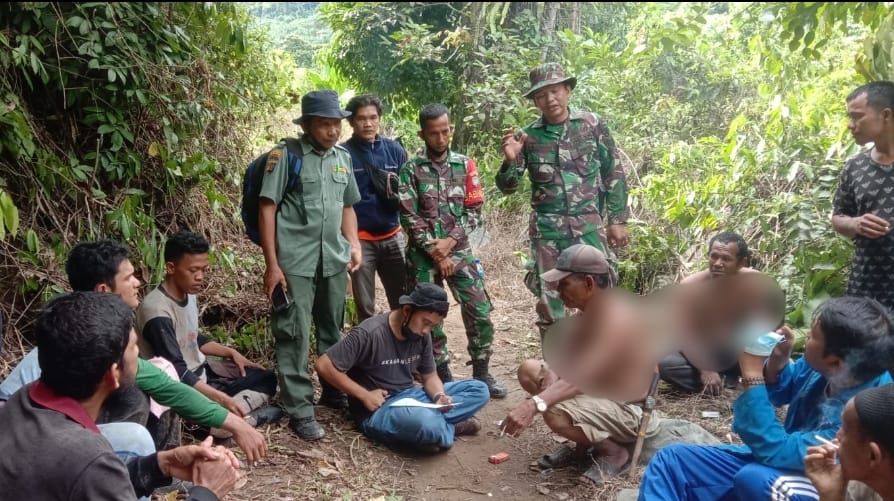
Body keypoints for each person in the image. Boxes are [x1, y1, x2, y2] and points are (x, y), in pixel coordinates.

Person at [0, 239, 268, 463]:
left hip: (45, 430)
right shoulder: (92, 337)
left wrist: (231, 419)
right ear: (104, 290)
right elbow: (167, 383)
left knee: (137, 391)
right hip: (22, 442)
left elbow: (162, 380)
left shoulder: (88, 325)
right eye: (129, 277)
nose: (138, 282)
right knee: (136, 427)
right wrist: (232, 421)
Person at [638, 296, 894, 501]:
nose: (806, 341)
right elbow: (785, 388)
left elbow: (775, 450)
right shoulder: (839, 367)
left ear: (835, 362)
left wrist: (751, 374)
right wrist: (777, 363)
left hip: (824, 482)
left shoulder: (865, 413)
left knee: (756, 479)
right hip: (781, 464)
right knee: (673, 459)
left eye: (814, 336)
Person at [0, 292, 240, 500]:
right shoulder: (87, 458)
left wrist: (161, 465)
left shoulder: (21, 402)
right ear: (113, 374)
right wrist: (207, 492)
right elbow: (89, 473)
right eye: (135, 347)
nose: (141, 356)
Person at [501, 244, 660, 485]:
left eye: (564, 283)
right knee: (530, 370)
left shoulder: (616, 318)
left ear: (588, 283)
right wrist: (552, 376)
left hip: (629, 407)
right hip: (601, 390)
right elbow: (565, 358)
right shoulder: (590, 311)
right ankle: (583, 446)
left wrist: (535, 404)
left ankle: (614, 452)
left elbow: (582, 376)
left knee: (552, 410)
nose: (557, 289)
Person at [496, 62, 630, 339]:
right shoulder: (527, 136)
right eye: (542, 95)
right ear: (535, 100)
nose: (550, 99)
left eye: (555, 91)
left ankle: (604, 357)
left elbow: (613, 171)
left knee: (602, 293)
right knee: (549, 300)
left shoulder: (591, 125)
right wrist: (510, 162)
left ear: (568, 90)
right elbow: (508, 187)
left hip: (588, 227)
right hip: (548, 232)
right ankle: (555, 369)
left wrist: (617, 220)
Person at [259, 89, 362, 440]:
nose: (333, 131)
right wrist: (272, 264)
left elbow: (347, 205)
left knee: (333, 328)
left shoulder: (342, 158)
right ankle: (299, 407)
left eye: (337, 124)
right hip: (295, 262)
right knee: (294, 334)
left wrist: (354, 245)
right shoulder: (285, 156)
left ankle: (334, 390)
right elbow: (267, 207)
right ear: (307, 125)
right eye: (325, 124)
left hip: (332, 258)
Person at [398, 103, 506, 399]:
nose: (441, 138)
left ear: (452, 129)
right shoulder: (411, 169)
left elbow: (475, 210)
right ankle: (441, 373)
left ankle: (482, 372)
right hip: (424, 256)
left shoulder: (466, 165)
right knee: (428, 318)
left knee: (479, 309)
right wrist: (437, 251)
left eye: (446, 131)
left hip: (459, 252)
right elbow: (409, 216)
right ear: (422, 133)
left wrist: (450, 243)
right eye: (434, 133)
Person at [314, 283, 489, 452]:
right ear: (407, 310)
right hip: (380, 409)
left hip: (412, 397)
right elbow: (323, 365)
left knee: (480, 390)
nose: (426, 331)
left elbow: (429, 376)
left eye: (433, 326)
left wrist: (439, 396)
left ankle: (433, 430)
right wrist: (364, 394)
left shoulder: (422, 335)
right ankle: (443, 428)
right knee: (426, 423)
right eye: (425, 322)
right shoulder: (369, 333)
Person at [137, 231, 280, 436]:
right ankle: (244, 419)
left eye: (204, 269)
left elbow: (194, 337)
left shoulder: (188, 292)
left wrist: (230, 352)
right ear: (170, 268)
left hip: (203, 373)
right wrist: (220, 398)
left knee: (266, 377)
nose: (200, 277)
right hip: (182, 389)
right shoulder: (157, 312)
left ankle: (236, 417)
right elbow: (176, 372)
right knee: (218, 428)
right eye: (194, 270)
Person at [658, 231, 757, 395]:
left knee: (773, 357)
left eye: (726, 259)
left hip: (739, 353)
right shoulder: (690, 287)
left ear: (741, 263)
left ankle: (734, 381)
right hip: (701, 350)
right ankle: (723, 384)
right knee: (665, 364)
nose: (717, 263)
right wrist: (705, 368)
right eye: (714, 256)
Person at [342, 94, 408, 322]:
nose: (367, 124)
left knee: (403, 300)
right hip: (360, 240)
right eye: (361, 119)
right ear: (351, 122)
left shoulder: (395, 151)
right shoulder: (342, 154)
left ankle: (402, 349)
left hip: (393, 235)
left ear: (380, 119)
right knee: (365, 306)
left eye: (373, 118)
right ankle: (370, 352)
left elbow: (409, 193)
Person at [832, 81, 894, 313]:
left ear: (885, 115)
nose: (850, 125)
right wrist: (855, 223)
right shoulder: (855, 167)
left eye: (857, 117)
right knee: (865, 347)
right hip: (867, 286)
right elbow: (838, 217)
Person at [804, 383, 894, 501]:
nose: (837, 436)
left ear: (872, 455)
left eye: (845, 430)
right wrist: (831, 495)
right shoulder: (867, 484)